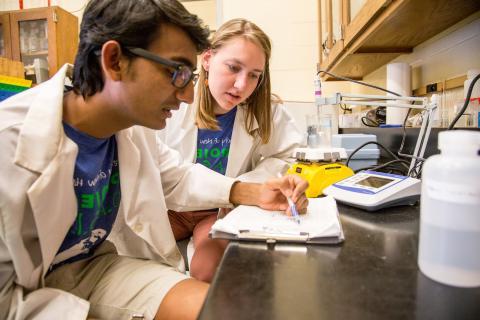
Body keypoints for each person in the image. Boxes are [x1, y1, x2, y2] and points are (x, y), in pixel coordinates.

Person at [0, 1, 308, 320]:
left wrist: (255, 193)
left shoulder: (132, 129)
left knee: (227, 310)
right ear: (114, 60)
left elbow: (177, 177)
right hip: (22, 294)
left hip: (96, 268)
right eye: (177, 72)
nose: (190, 96)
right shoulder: (8, 142)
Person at [158, 18, 304, 282]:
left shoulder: (266, 111)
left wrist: (246, 186)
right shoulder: (170, 104)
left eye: (254, 75)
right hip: (168, 208)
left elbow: (287, 154)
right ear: (207, 59)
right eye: (233, 68)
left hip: (217, 209)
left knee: (210, 270)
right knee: (136, 255)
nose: (241, 85)